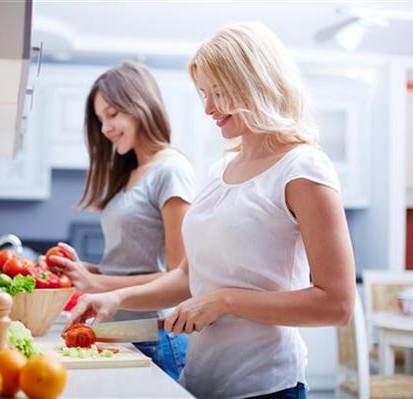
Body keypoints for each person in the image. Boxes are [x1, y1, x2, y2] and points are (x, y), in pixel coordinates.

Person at [65, 23, 356, 399]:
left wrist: (225, 300)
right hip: (202, 382)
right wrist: (116, 298)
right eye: (204, 93)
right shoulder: (221, 171)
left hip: (265, 386)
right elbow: (188, 276)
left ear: (255, 83)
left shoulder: (302, 168)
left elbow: (338, 304)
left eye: (217, 92)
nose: (207, 108)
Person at [46, 61, 196, 380]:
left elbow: (180, 276)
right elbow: (129, 264)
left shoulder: (171, 171)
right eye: (101, 119)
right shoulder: (131, 173)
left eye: (112, 114)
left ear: (140, 104)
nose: (105, 129)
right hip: (121, 330)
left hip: (153, 334)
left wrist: (99, 284)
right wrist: (82, 269)